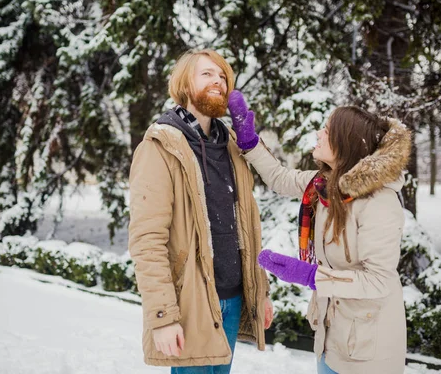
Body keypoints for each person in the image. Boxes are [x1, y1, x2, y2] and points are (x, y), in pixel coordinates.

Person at [228, 91, 411, 374]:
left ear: (345, 143)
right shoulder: (324, 186)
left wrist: (311, 275)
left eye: (326, 130)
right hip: (332, 336)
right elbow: (280, 178)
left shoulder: (379, 202)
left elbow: (378, 280)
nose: (319, 133)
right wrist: (249, 142)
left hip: (367, 351)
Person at [128, 50, 273, 374]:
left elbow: (247, 227)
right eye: (206, 74)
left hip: (233, 300)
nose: (218, 82)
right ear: (184, 83)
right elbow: (147, 240)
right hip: (191, 300)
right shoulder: (160, 146)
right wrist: (163, 315)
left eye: (223, 76)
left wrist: (259, 291)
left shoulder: (233, 146)